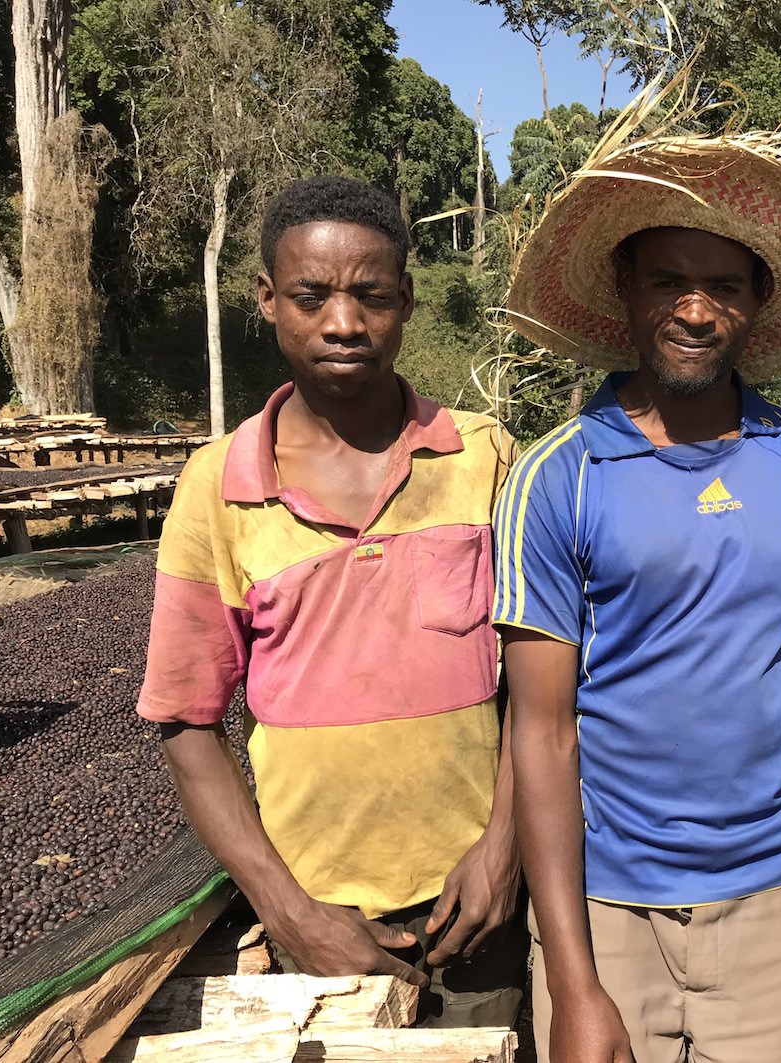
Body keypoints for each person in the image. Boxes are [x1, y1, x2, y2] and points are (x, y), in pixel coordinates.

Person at [494, 135, 781, 1062]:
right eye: (669, 279)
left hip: (774, 900)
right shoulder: (560, 475)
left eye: (726, 286)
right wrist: (573, 980)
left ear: (757, 307)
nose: (697, 309)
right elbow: (541, 732)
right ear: (625, 290)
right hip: (605, 900)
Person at [136, 175, 526, 1027]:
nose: (343, 323)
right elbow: (185, 719)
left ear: (406, 302)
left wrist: (505, 847)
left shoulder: (484, 459)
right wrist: (288, 910)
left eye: (370, 296)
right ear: (269, 301)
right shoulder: (216, 486)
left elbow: (538, 687)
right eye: (311, 297)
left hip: (479, 909)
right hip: (318, 924)